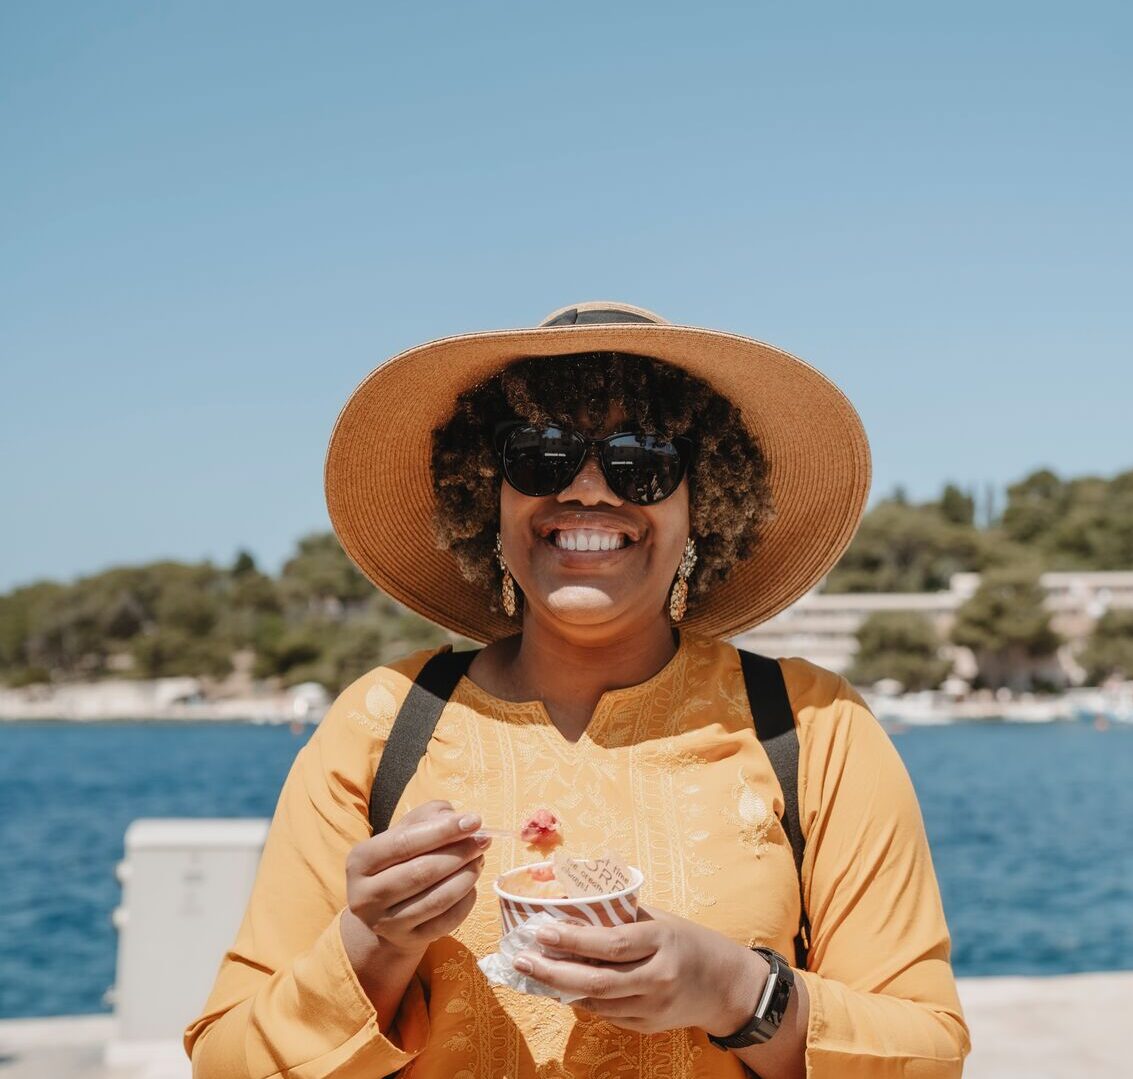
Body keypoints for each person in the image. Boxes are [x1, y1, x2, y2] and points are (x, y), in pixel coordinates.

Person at [185, 302, 968, 1078]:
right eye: (542, 453)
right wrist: (373, 945)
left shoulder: (814, 728)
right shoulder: (380, 726)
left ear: (703, 504)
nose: (590, 490)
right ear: (486, 494)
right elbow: (226, 1062)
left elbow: (930, 1053)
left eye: (641, 459)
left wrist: (735, 989)